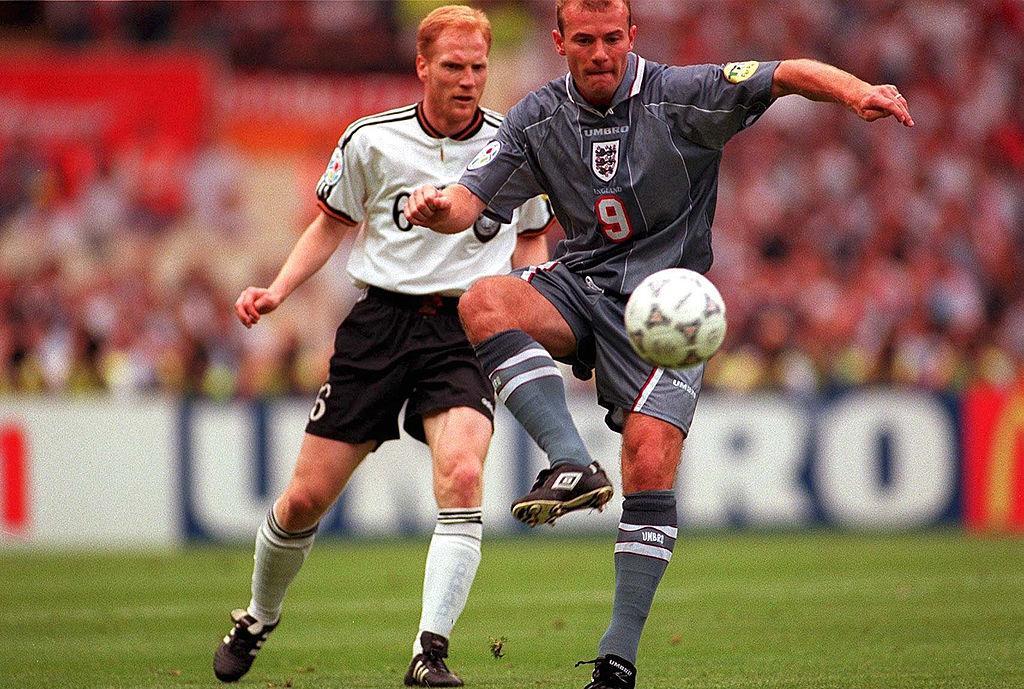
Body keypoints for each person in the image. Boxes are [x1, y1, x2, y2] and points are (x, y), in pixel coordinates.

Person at [404, 1, 914, 687]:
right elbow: (470, 200)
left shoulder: (683, 96)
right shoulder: (535, 117)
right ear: (560, 43)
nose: (600, 52)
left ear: (631, 37)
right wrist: (441, 209)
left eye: (612, 38)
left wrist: (857, 92)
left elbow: (785, 73)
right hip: (580, 287)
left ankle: (616, 660)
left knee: (649, 459)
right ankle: (570, 462)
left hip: (667, 312)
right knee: (484, 300)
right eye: (583, 40)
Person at [214, 6, 552, 687]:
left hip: (465, 327)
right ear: (422, 65)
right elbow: (329, 224)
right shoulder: (372, 140)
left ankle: (429, 652)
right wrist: (278, 290)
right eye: (454, 66)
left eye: (479, 67)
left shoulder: (515, 146)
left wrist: (533, 290)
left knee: (461, 475)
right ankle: (257, 614)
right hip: (379, 327)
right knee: (304, 500)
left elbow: (534, 237)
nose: (468, 79)